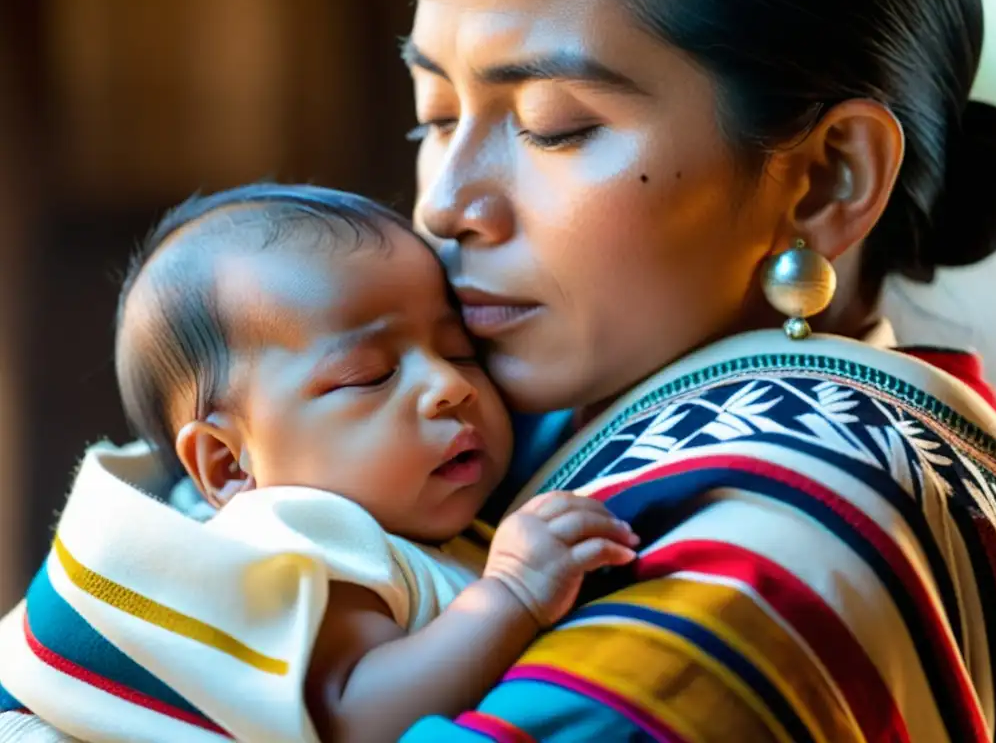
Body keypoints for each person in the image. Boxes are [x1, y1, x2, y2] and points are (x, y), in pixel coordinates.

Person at [2, 0, 996, 740]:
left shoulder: (781, 558)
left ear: (821, 180)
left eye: (552, 126)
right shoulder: (515, 426)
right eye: (433, 116)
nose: (444, 203)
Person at [2, 184, 639, 743]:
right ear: (227, 464)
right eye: (370, 375)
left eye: (461, 351)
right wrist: (512, 594)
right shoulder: (297, 533)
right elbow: (353, 720)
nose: (450, 385)